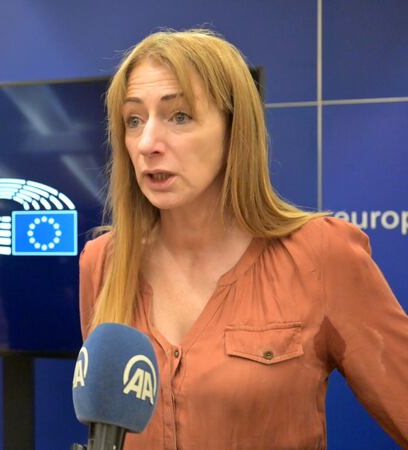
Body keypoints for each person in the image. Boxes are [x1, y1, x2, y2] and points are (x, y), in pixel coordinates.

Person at [79, 29, 408, 449]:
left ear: (235, 129)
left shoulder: (321, 256)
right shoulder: (102, 262)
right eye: (134, 120)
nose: (147, 144)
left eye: (179, 116)